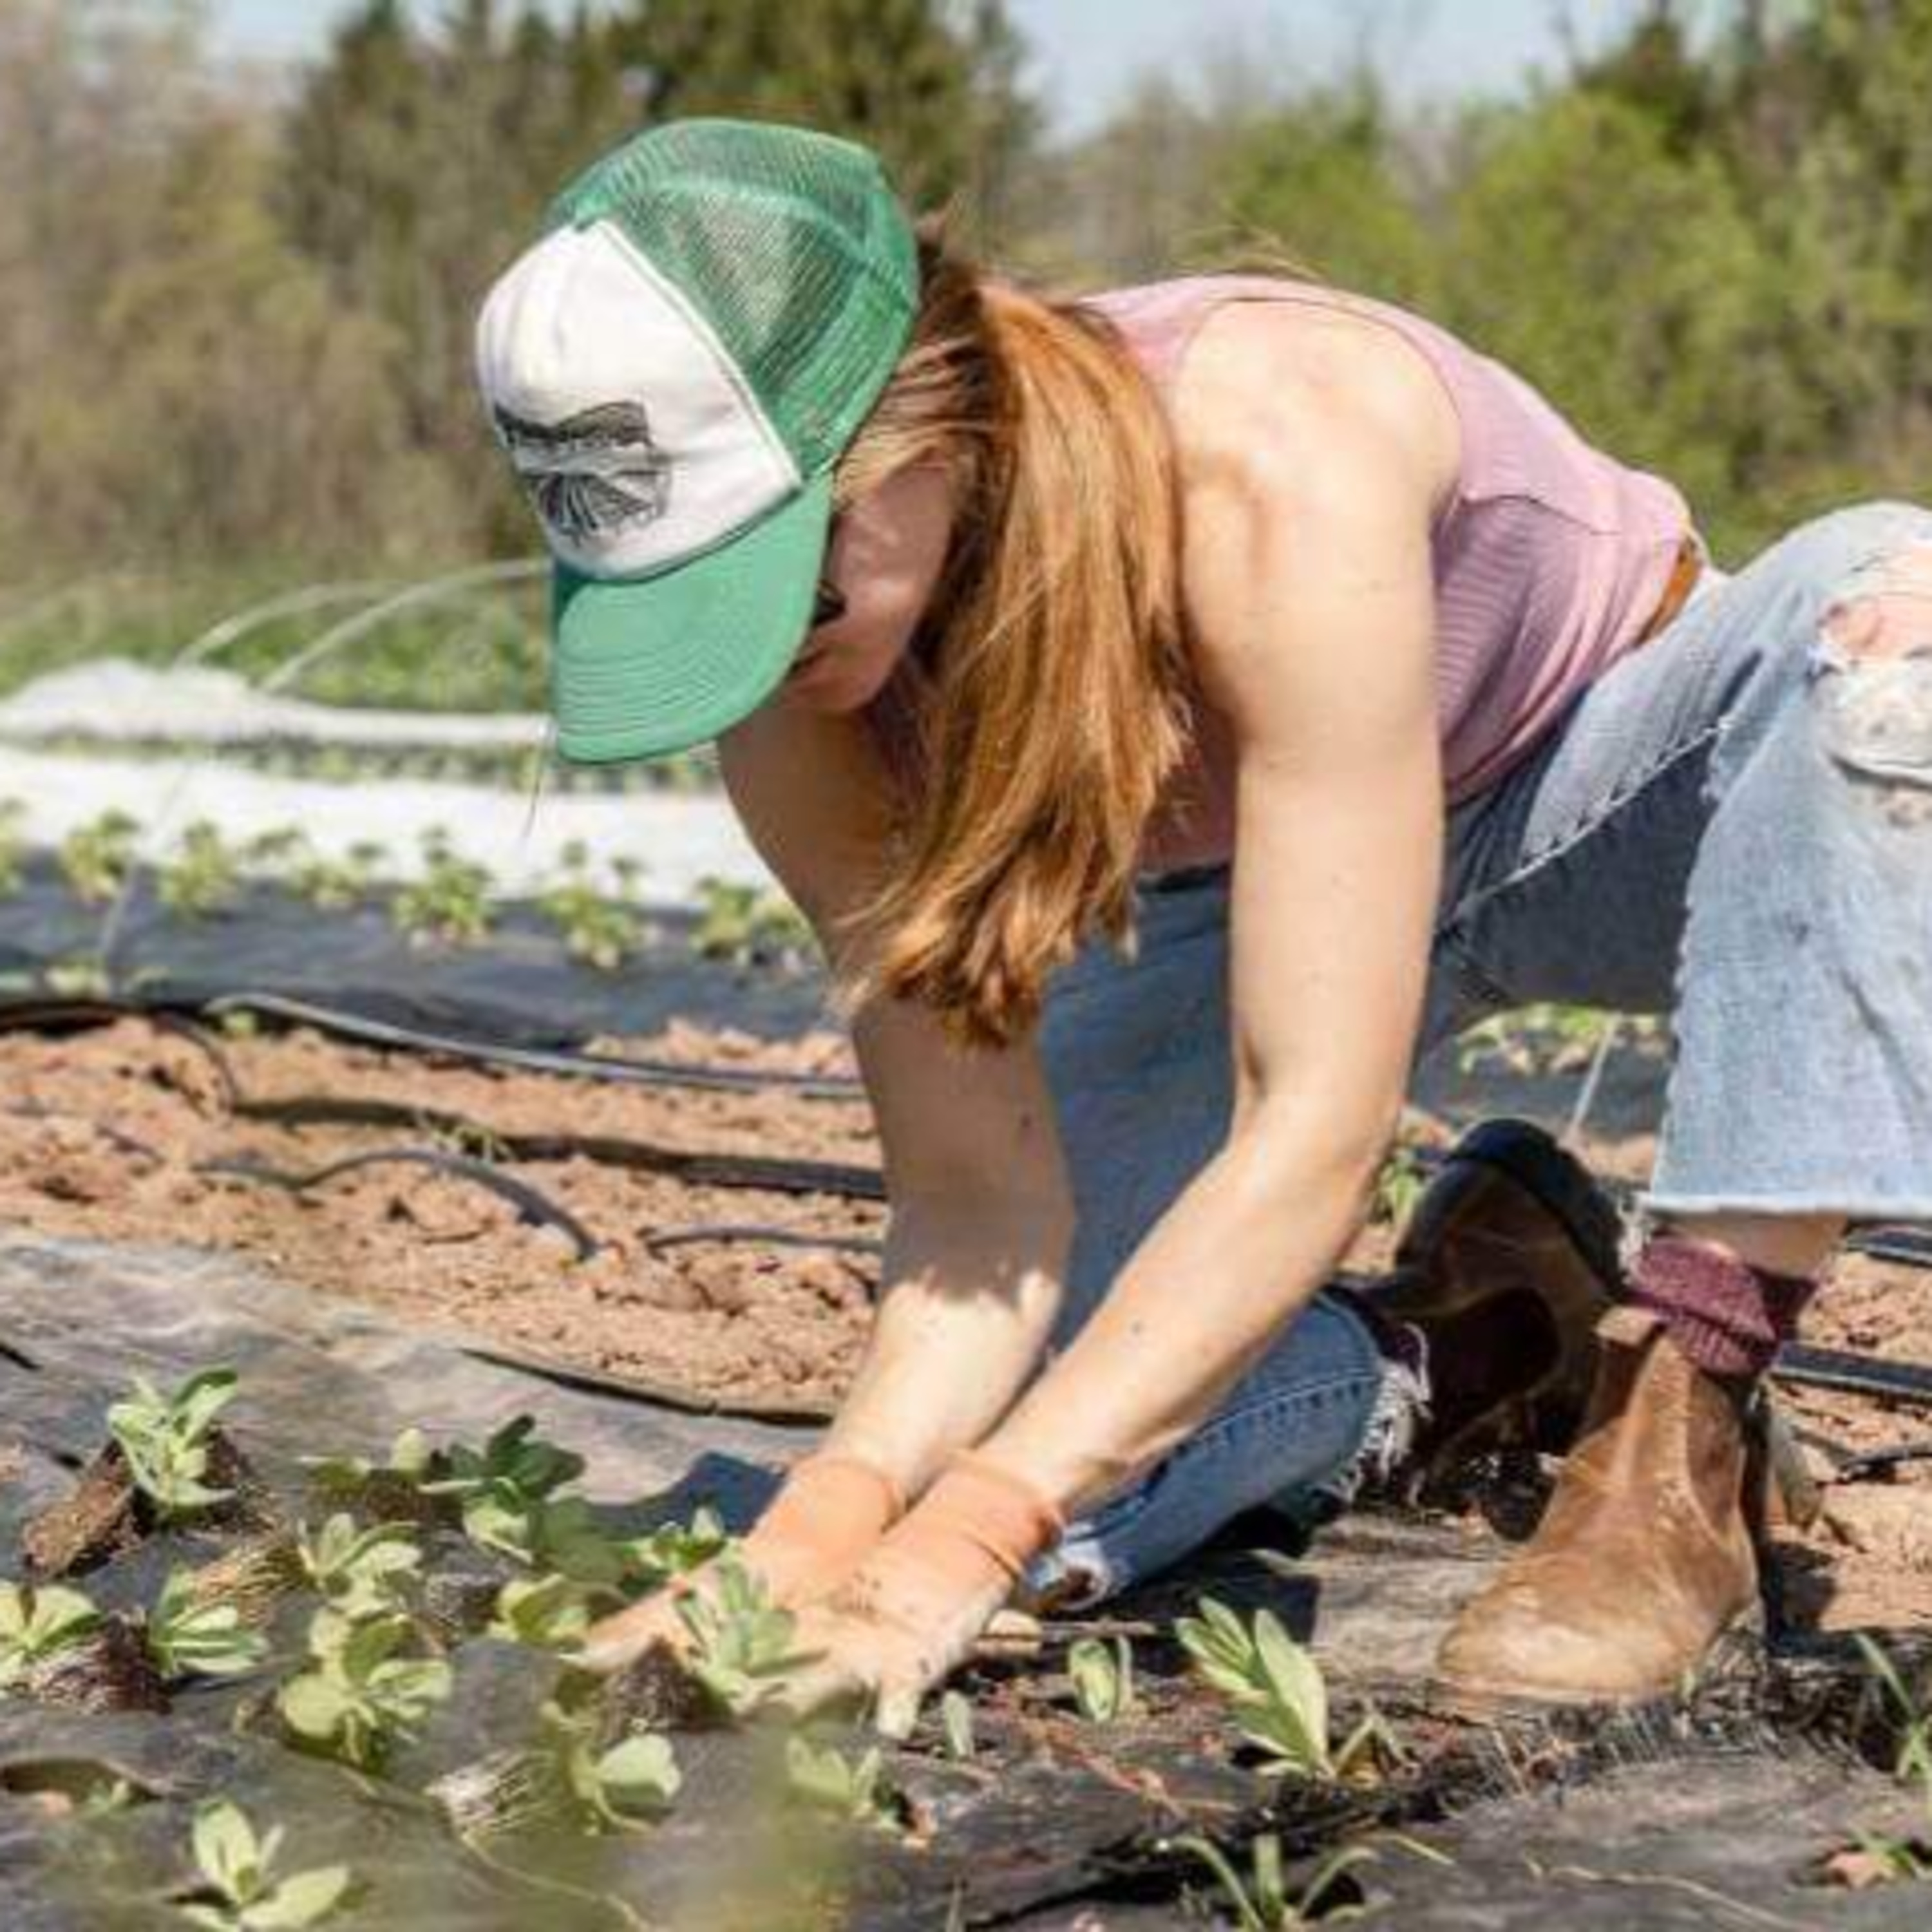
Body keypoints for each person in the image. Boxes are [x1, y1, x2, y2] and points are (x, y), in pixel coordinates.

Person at [474, 117, 1932, 1730]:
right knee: (1047, 1433)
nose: (760, 655)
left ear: (917, 427)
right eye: (693, 603)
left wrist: (966, 1541)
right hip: (1249, 890)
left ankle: (1684, 1427)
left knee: (1896, 639)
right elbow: (977, 1213)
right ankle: (1464, 1340)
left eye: (781, 580)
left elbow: (1313, 1120)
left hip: (1592, 786)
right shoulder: (796, 701)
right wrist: (838, 1522)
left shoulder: (1262, 451)